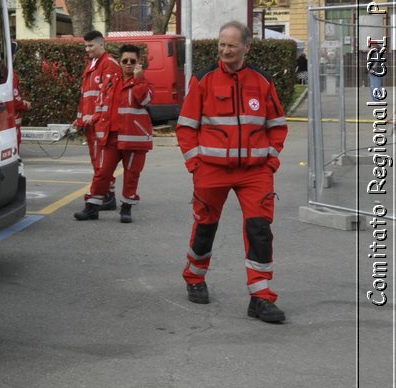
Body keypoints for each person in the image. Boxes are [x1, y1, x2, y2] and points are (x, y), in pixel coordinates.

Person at [177, 21, 288, 323]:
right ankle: (195, 277)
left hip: (255, 173)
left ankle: (261, 297)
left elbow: (277, 125)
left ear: (246, 47)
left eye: (231, 45)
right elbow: (186, 127)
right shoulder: (203, 80)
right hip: (211, 171)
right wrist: (195, 165)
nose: (225, 50)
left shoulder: (262, 81)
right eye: (221, 45)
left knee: (260, 231)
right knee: (205, 226)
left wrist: (270, 161)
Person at [72, 30, 122, 220]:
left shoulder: (109, 65)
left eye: (91, 45)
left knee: (102, 164)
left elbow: (108, 98)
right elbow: (85, 97)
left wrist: (94, 117)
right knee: (98, 163)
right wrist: (79, 120)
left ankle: (104, 197)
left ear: (102, 44)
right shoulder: (92, 65)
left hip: (101, 124)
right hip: (91, 124)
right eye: (86, 46)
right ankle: (107, 195)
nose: (88, 49)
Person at [102, 43, 154, 223]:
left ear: (140, 62)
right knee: (103, 172)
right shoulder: (113, 80)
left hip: (134, 138)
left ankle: (126, 208)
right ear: (120, 62)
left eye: (133, 61)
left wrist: (139, 79)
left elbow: (145, 99)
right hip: (113, 136)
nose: (129, 64)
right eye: (125, 60)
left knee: (132, 175)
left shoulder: (144, 82)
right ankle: (91, 206)